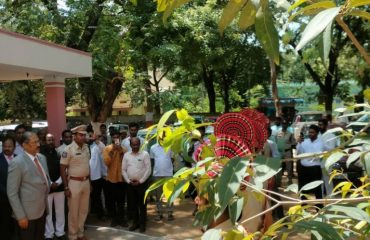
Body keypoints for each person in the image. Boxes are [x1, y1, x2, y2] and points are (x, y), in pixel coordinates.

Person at [7, 132, 50, 240]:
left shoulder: (42, 158)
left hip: (42, 210)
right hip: (27, 215)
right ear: (24, 145)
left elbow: (45, 181)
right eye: (34, 142)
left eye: (38, 141)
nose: (38, 144)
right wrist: (20, 216)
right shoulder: (17, 163)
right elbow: (12, 193)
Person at [60, 125, 90, 240]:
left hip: (86, 182)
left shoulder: (86, 147)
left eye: (84, 135)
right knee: (73, 211)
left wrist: (90, 183)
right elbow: (62, 168)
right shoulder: (68, 149)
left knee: (83, 210)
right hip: (73, 183)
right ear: (74, 136)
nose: (83, 137)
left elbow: (87, 166)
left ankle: (80, 233)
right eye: (80, 135)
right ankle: (73, 235)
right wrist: (66, 187)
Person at [122, 137, 151, 233]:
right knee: (132, 205)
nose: (135, 146)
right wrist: (128, 181)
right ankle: (135, 223)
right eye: (133, 145)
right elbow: (123, 170)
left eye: (137, 144)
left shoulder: (145, 154)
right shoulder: (126, 155)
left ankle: (142, 224)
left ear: (140, 144)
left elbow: (148, 170)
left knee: (142, 205)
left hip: (141, 184)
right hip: (130, 184)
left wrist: (141, 181)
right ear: (130, 145)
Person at [41, 134, 66, 240]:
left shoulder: (58, 153)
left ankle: (60, 232)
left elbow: (64, 169)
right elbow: (41, 170)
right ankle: (49, 234)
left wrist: (59, 182)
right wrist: (50, 183)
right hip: (47, 187)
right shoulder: (40, 155)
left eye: (52, 140)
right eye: (48, 140)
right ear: (45, 141)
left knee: (60, 211)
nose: (50, 142)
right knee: (49, 213)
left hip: (59, 186)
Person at [103, 131, 128, 227]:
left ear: (120, 139)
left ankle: (121, 219)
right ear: (112, 138)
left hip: (122, 179)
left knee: (121, 201)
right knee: (112, 201)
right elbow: (107, 162)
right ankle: (114, 219)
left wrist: (120, 151)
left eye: (118, 137)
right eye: (114, 137)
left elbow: (126, 163)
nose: (116, 139)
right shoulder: (107, 149)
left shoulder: (124, 150)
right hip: (111, 179)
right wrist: (113, 151)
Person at [296, 125, 325, 207]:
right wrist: (299, 143)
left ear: (317, 133)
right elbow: (299, 153)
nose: (310, 134)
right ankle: (303, 206)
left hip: (315, 168)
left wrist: (310, 157)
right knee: (303, 188)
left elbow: (318, 155)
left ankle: (319, 207)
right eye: (309, 132)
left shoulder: (321, 143)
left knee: (317, 189)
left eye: (312, 132)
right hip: (303, 168)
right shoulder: (304, 142)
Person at [150, 139, 175, 221]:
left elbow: (172, 159)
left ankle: (170, 213)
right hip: (157, 174)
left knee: (170, 195)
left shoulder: (170, 146)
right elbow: (152, 161)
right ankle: (159, 213)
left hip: (168, 174)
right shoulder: (153, 147)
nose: (162, 136)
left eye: (164, 135)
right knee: (158, 195)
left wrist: (167, 168)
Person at [0, 135, 17, 240]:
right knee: (4, 223)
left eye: (9, 146)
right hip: (3, 199)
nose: (7, 148)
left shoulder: (19, 158)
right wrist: (9, 193)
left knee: (17, 223)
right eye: (4, 146)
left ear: (14, 147)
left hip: (19, 199)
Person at [89, 134, 107, 221]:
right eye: (89, 136)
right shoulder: (82, 146)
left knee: (97, 196)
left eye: (91, 136)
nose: (90, 138)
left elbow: (102, 159)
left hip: (96, 176)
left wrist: (104, 173)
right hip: (84, 177)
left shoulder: (97, 146)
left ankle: (100, 214)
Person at [318, 118, 338, 196]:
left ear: (326, 126)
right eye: (318, 125)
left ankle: (331, 199)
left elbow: (332, 149)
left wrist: (323, 145)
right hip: (317, 162)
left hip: (327, 162)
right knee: (319, 182)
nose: (319, 126)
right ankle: (320, 199)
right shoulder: (317, 135)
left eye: (321, 125)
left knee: (328, 181)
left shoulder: (331, 136)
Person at [276, 119, 296, 184]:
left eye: (285, 124)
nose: (284, 125)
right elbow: (276, 142)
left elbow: (294, 143)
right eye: (283, 124)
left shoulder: (290, 134)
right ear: (281, 124)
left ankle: (290, 181)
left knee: (289, 167)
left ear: (287, 125)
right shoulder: (278, 132)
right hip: (280, 152)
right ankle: (278, 181)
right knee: (279, 167)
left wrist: (289, 147)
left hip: (287, 152)